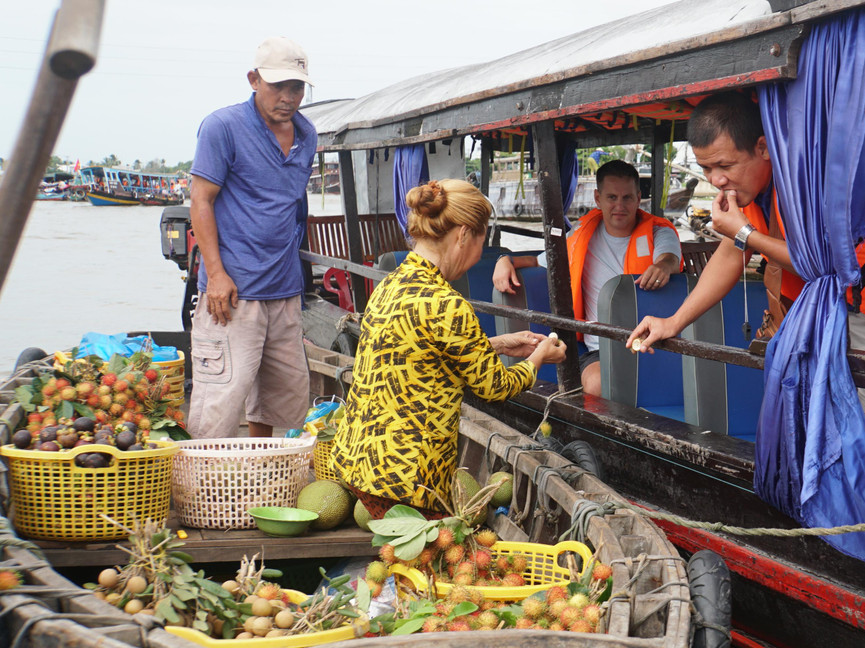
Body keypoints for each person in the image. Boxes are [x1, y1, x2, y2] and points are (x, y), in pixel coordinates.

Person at [626, 91, 865, 420]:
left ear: (763, 147)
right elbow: (732, 253)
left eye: (724, 165)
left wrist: (744, 233)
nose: (716, 180)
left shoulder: (818, 170)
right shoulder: (759, 184)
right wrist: (674, 322)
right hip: (841, 304)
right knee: (828, 424)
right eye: (706, 168)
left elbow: (823, 263)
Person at [332, 180, 567, 517]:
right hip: (407, 476)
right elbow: (494, 387)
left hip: (361, 461)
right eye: (482, 238)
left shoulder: (391, 284)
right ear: (462, 235)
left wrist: (497, 343)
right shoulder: (447, 304)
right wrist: (539, 357)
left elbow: (416, 350)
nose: (479, 252)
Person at [186, 36, 317, 439]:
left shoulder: (307, 135)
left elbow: (292, 207)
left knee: (281, 397)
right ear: (254, 79)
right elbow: (201, 201)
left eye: (296, 87)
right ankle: (207, 489)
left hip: (283, 289)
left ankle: (258, 468)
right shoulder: (223, 127)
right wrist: (217, 275)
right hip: (233, 290)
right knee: (220, 400)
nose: (288, 97)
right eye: (278, 85)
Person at [492, 159, 681, 396]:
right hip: (600, 350)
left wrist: (663, 266)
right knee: (595, 384)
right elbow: (535, 260)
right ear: (597, 198)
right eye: (612, 197)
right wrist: (504, 260)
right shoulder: (580, 236)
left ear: (638, 197)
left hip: (653, 343)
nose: (619, 206)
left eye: (627, 198)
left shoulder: (658, 232)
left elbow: (670, 257)